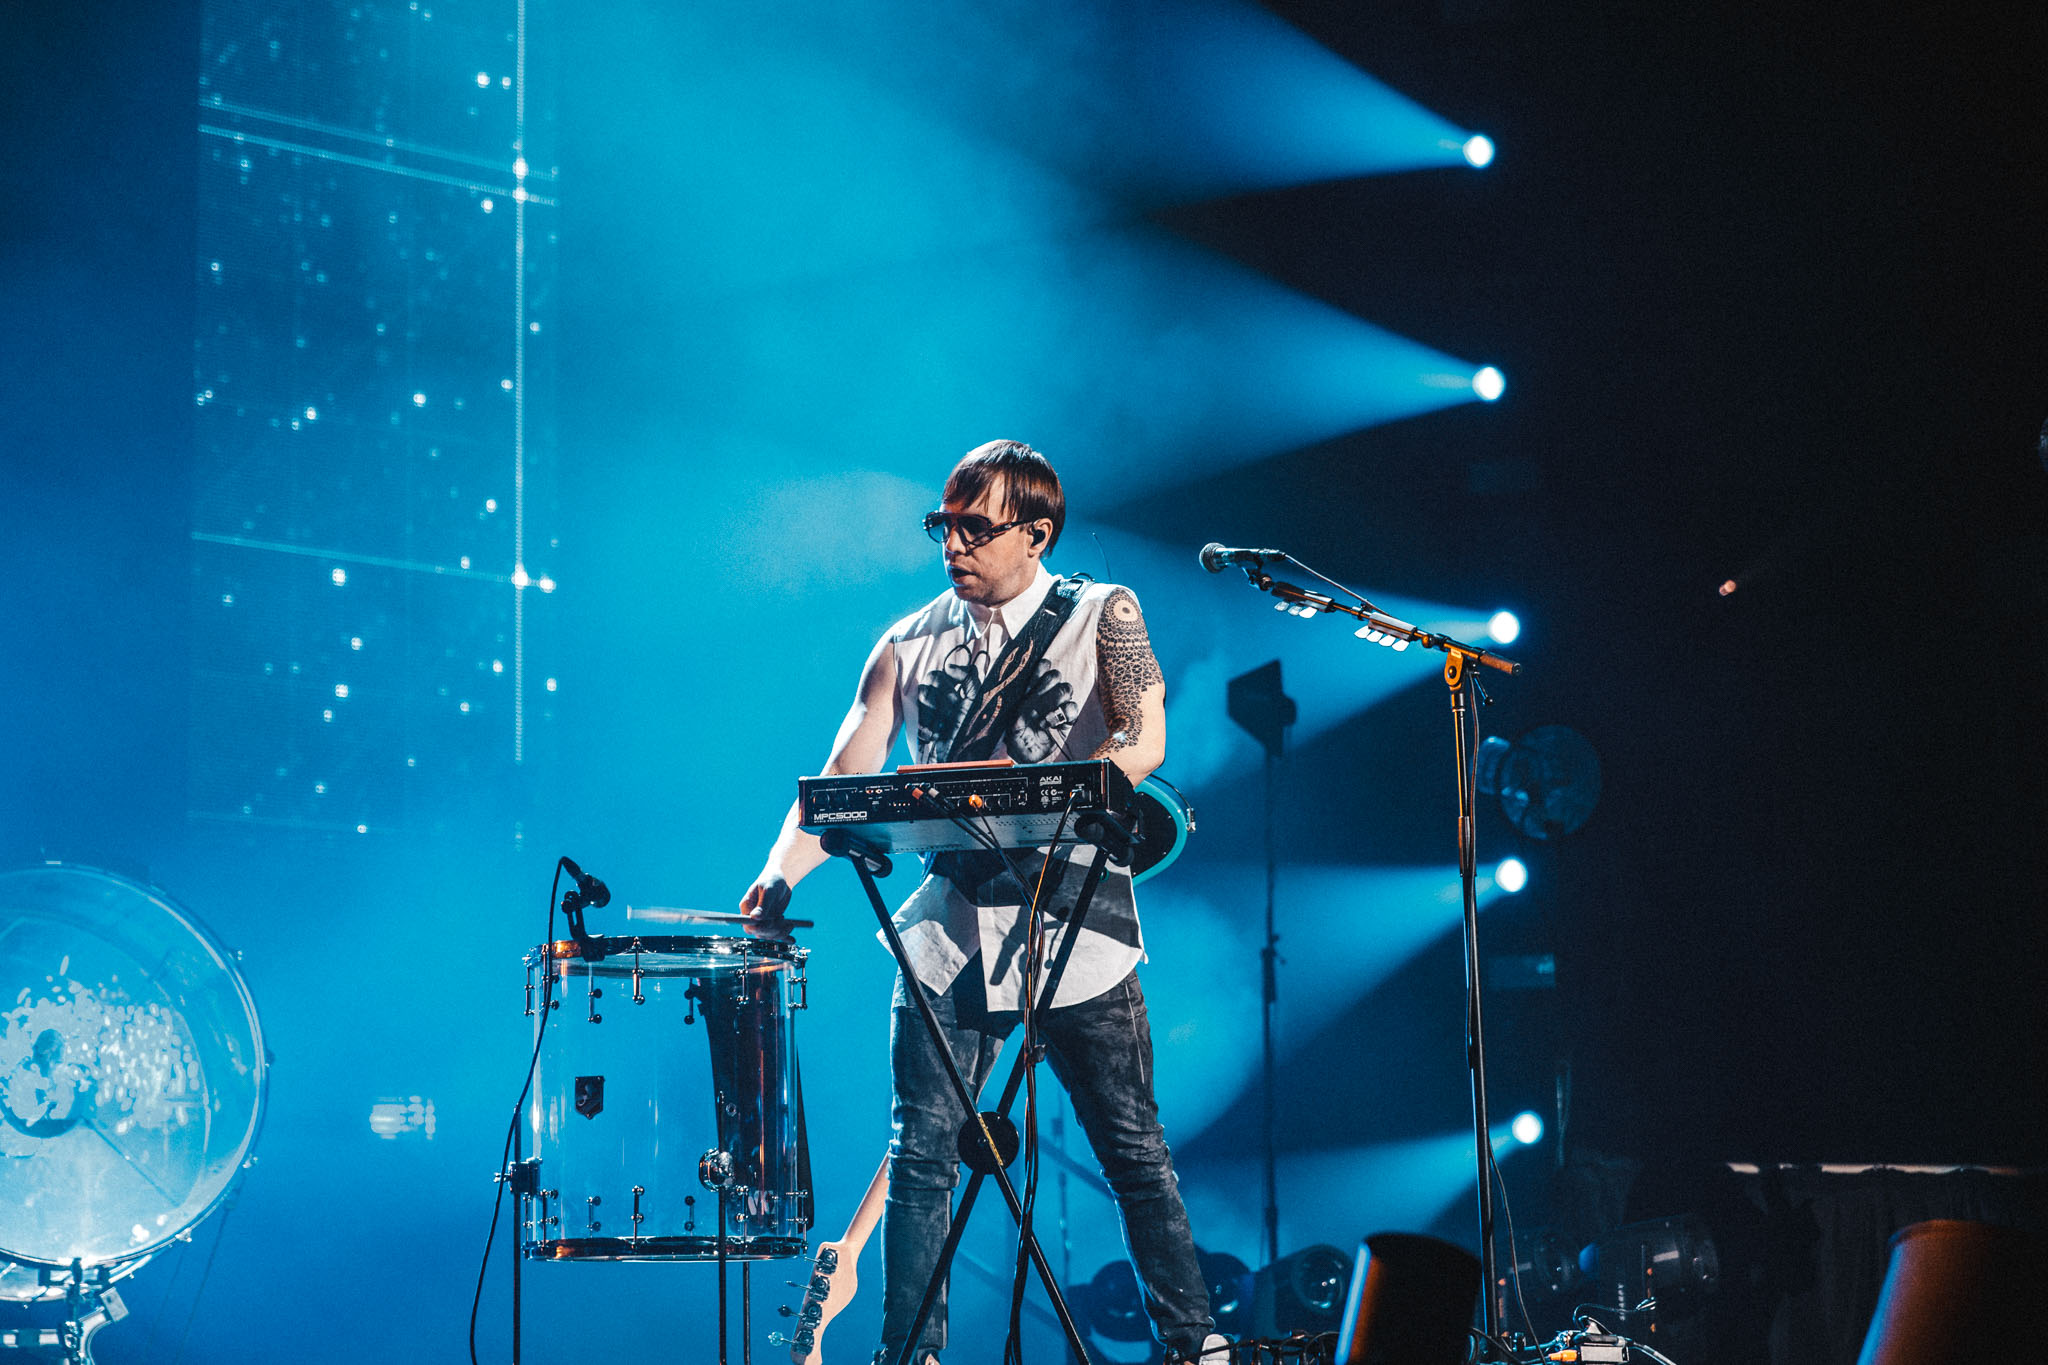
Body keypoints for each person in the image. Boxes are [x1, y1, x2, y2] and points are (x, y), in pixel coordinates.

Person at [739, 441, 1228, 1364]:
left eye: (976, 527)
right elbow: (843, 779)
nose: (953, 545)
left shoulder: (1103, 613)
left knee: (1132, 1147)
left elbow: (1145, 737)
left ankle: (1196, 1342)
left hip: (1076, 922)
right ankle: (912, 1352)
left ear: (1037, 533)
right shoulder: (906, 641)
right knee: (921, 1150)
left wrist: (1053, 786)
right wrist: (779, 874)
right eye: (944, 525)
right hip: (950, 932)